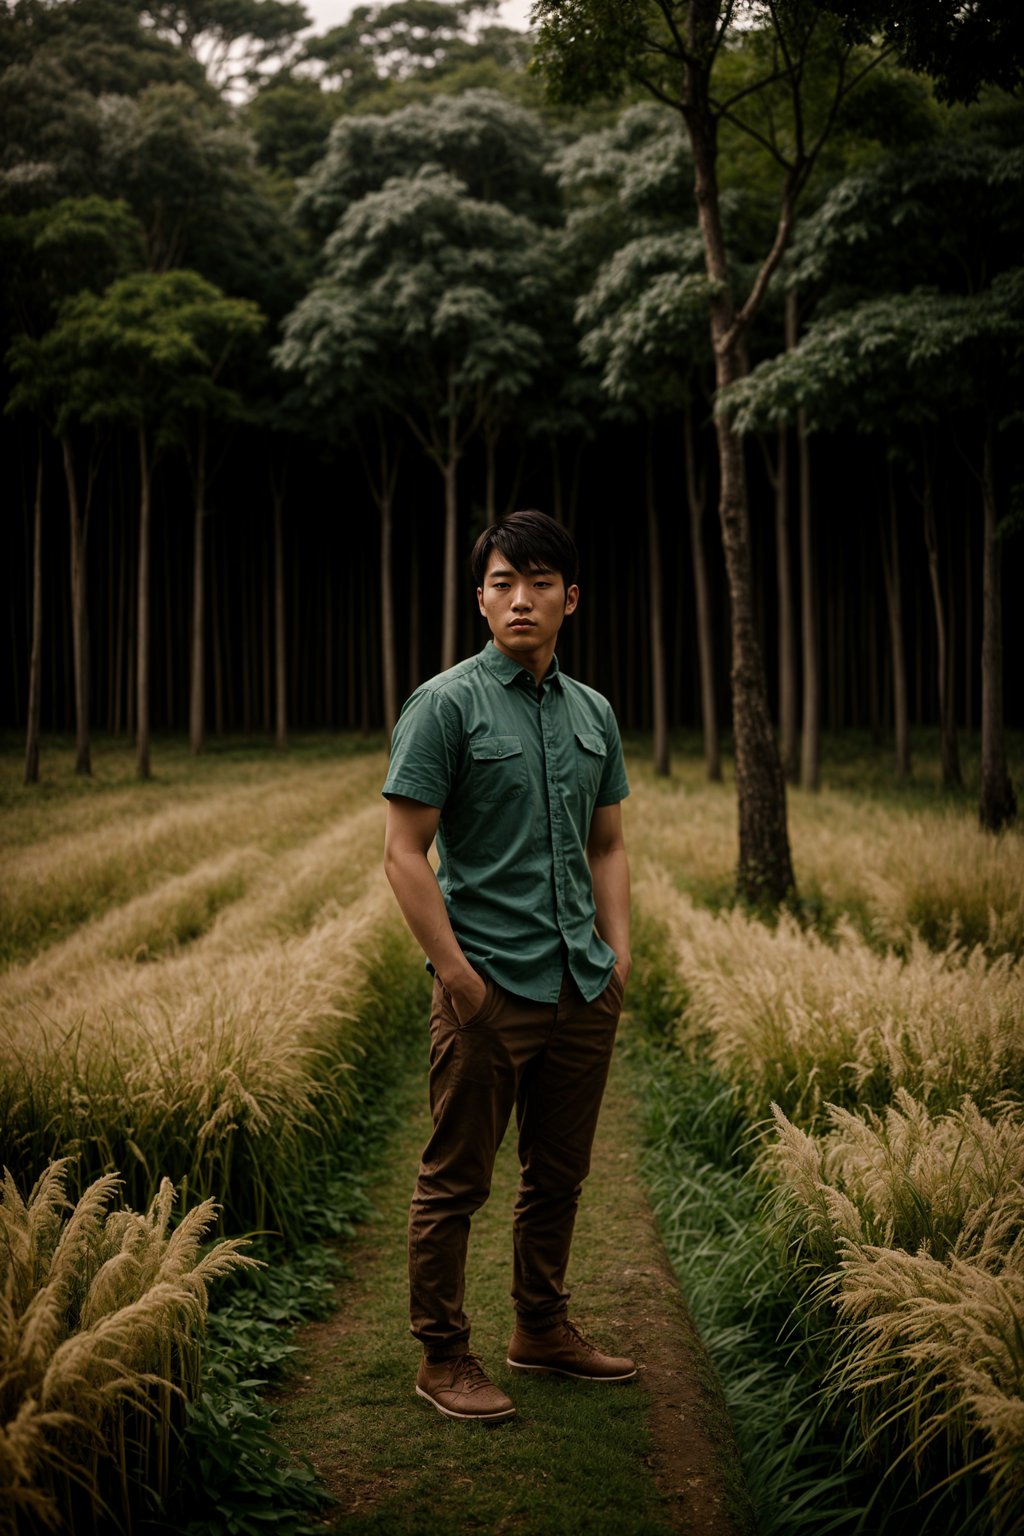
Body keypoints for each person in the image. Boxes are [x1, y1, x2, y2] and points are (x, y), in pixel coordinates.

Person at [382, 508, 635, 1422]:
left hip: (580, 983)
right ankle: (443, 1355)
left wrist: (619, 955)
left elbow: (607, 845)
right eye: (501, 582)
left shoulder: (594, 713)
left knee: (559, 1174)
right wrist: (457, 978)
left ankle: (541, 1329)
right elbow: (403, 852)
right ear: (481, 598)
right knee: (456, 1182)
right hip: (488, 987)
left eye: (538, 582)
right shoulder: (444, 704)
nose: (519, 598)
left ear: (572, 598)